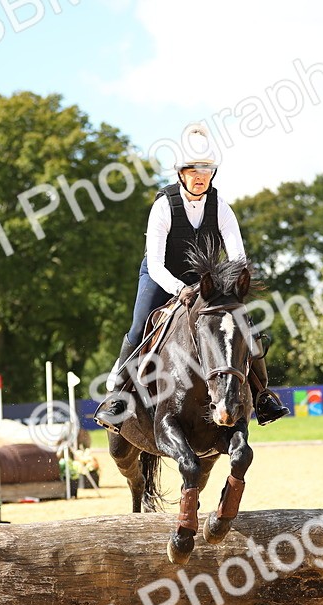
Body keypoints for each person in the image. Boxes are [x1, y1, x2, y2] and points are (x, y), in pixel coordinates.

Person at [94, 122, 288, 432]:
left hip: (210, 284)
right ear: (181, 173)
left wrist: (233, 285)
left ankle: (263, 396)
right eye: (194, 171)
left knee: (244, 326)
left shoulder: (222, 208)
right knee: (138, 327)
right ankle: (117, 398)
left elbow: (238, 257)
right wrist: (180, 288)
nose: (201, 177)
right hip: (162, 277)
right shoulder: (163, 207)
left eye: (206, 171)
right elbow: (156, 264)